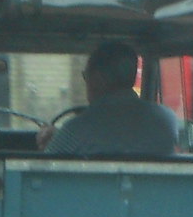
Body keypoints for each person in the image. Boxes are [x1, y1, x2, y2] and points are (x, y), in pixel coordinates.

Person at [40, 40, 183, 158]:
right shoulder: (167, 120)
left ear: (96, 79)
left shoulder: (76, 129)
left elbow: (47, 169)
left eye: (86, 76)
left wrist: (49, 143)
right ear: (133, 78)